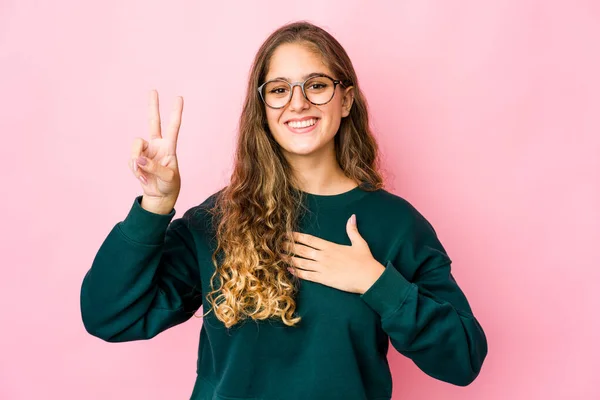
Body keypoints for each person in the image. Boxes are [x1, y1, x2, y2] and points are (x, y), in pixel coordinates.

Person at [80, 21, 488, 400]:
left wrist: (376, 282)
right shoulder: (216, 219)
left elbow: (463, 359)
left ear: (345, 100)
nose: (298, 103)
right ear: (263, 108)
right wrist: (155, 206)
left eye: (316, 85)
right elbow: (110, 316)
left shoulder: (398, 225)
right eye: (279, 89)